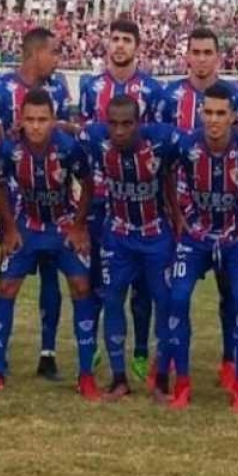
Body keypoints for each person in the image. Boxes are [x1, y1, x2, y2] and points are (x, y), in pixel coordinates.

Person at [0, 90, 99, 400]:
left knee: (82, 287)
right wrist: (10, 227)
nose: (36, 126)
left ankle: (86, 375)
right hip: (27, 226)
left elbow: (89, 185)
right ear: (20, 119)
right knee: (5, 289)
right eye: (30, 119)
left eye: (43, 119)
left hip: (62, 226)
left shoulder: (69, 148)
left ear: (53, 120)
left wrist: (79, 225)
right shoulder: (9, 148)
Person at [156, 26, 238, 389]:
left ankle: (231, 362)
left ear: (217, 56)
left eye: (206, 52)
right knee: (167, 291)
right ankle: (164, 360)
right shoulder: (169, 97)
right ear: (187, 56)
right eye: (194, 52)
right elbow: (161, 157)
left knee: (233, 293)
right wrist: (173, 211)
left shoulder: (236, 97)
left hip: (228, 220)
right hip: (181, 217)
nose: (200, 58)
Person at [0, 27, 73, 380]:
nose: (57, 59)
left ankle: (47, 352)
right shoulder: (2, 89)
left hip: (52, 197)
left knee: (52, 273)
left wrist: (62, 125)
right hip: (16, 202)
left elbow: (65, 136)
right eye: (53, 52)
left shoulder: (57, 88)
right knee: (9, 274)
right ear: (35, 54)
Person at [165, 85, 238, 411]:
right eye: (208, 112)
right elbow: (165, 171)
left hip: (234, 237)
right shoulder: (186, 144)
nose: (214, 119)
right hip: (195, 236)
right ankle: (182, 383)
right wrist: (177, 215)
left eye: (221, 113)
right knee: (176, 299)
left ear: (233, 116)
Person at [77, 19, 164, 381]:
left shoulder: (153, 90)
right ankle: (101, 348)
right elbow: (83, 141)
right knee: (101, 279)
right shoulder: (91, 86)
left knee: (143, 288)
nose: (119, 46)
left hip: (141, 202)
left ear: (137, 46)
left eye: (126, 40)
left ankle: (142, 350)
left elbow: (158, 146)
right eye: (114, 39)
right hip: (100, 199)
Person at [79, 95, 179, 400]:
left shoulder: (161, 141)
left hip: (155, 235)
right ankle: (119, 377)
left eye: (127, 124)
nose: (119, 131)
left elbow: (197, 142)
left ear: (139, 123)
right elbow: (68, 135)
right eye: (114, 124)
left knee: (164, 302)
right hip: (117, 235)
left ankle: (161, 378)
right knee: (112, 301)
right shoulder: (95, 139)